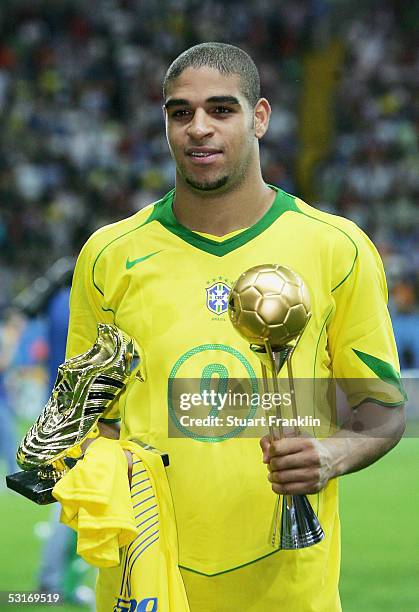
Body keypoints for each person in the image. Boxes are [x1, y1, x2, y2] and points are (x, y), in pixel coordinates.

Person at [66, 43, 406, 611]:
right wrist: (94, 464)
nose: (199, 127)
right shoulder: (108, 255)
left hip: (289, 587)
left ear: (261, 117)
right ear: (167, 125)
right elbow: (85, 419)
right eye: (182, 113)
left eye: (222, 110)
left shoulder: (335, 247)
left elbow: (384, 408)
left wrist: (330, 455)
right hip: (147, 581)